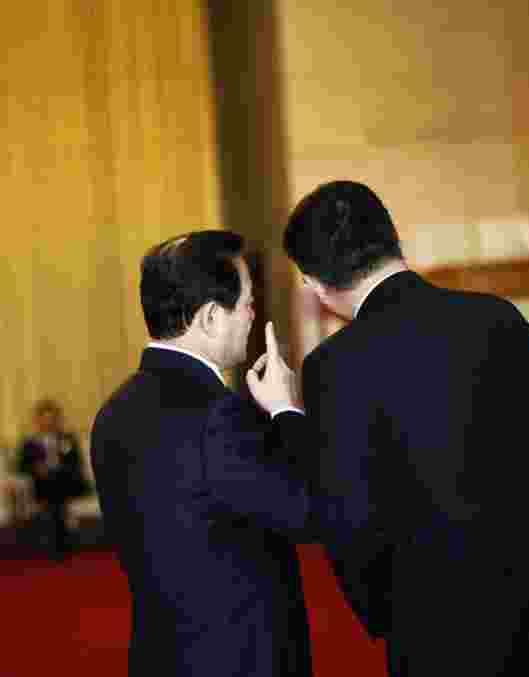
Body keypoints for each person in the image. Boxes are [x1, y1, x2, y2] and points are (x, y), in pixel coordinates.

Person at [280, 180, 529, 675]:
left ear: (316, 283)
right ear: (393, 239)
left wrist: (286, 415)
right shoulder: (497, 318)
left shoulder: (334, 365)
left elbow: (349, 519)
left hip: (438, 625)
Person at [90, 230, 313, 677]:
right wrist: (286, 409)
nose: (253, 316)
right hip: (241, 660)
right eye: (249, 303)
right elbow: (306, 511)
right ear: (211, 317)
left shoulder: (112, 414)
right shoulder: (218, 415)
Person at [17, 399, 92, 558]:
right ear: (38, 421)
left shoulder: (68, 439)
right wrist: (36, 469)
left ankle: (57, 544)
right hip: (42, 484)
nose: (48, 424)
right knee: (52, 492)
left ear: (57, 420)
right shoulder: (29, 443)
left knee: (56, 489)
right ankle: (62, 543)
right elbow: (21, 467)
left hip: (66, 482)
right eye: (44, 419)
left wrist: (61, 469)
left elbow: (76, 463)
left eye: (52, 419)